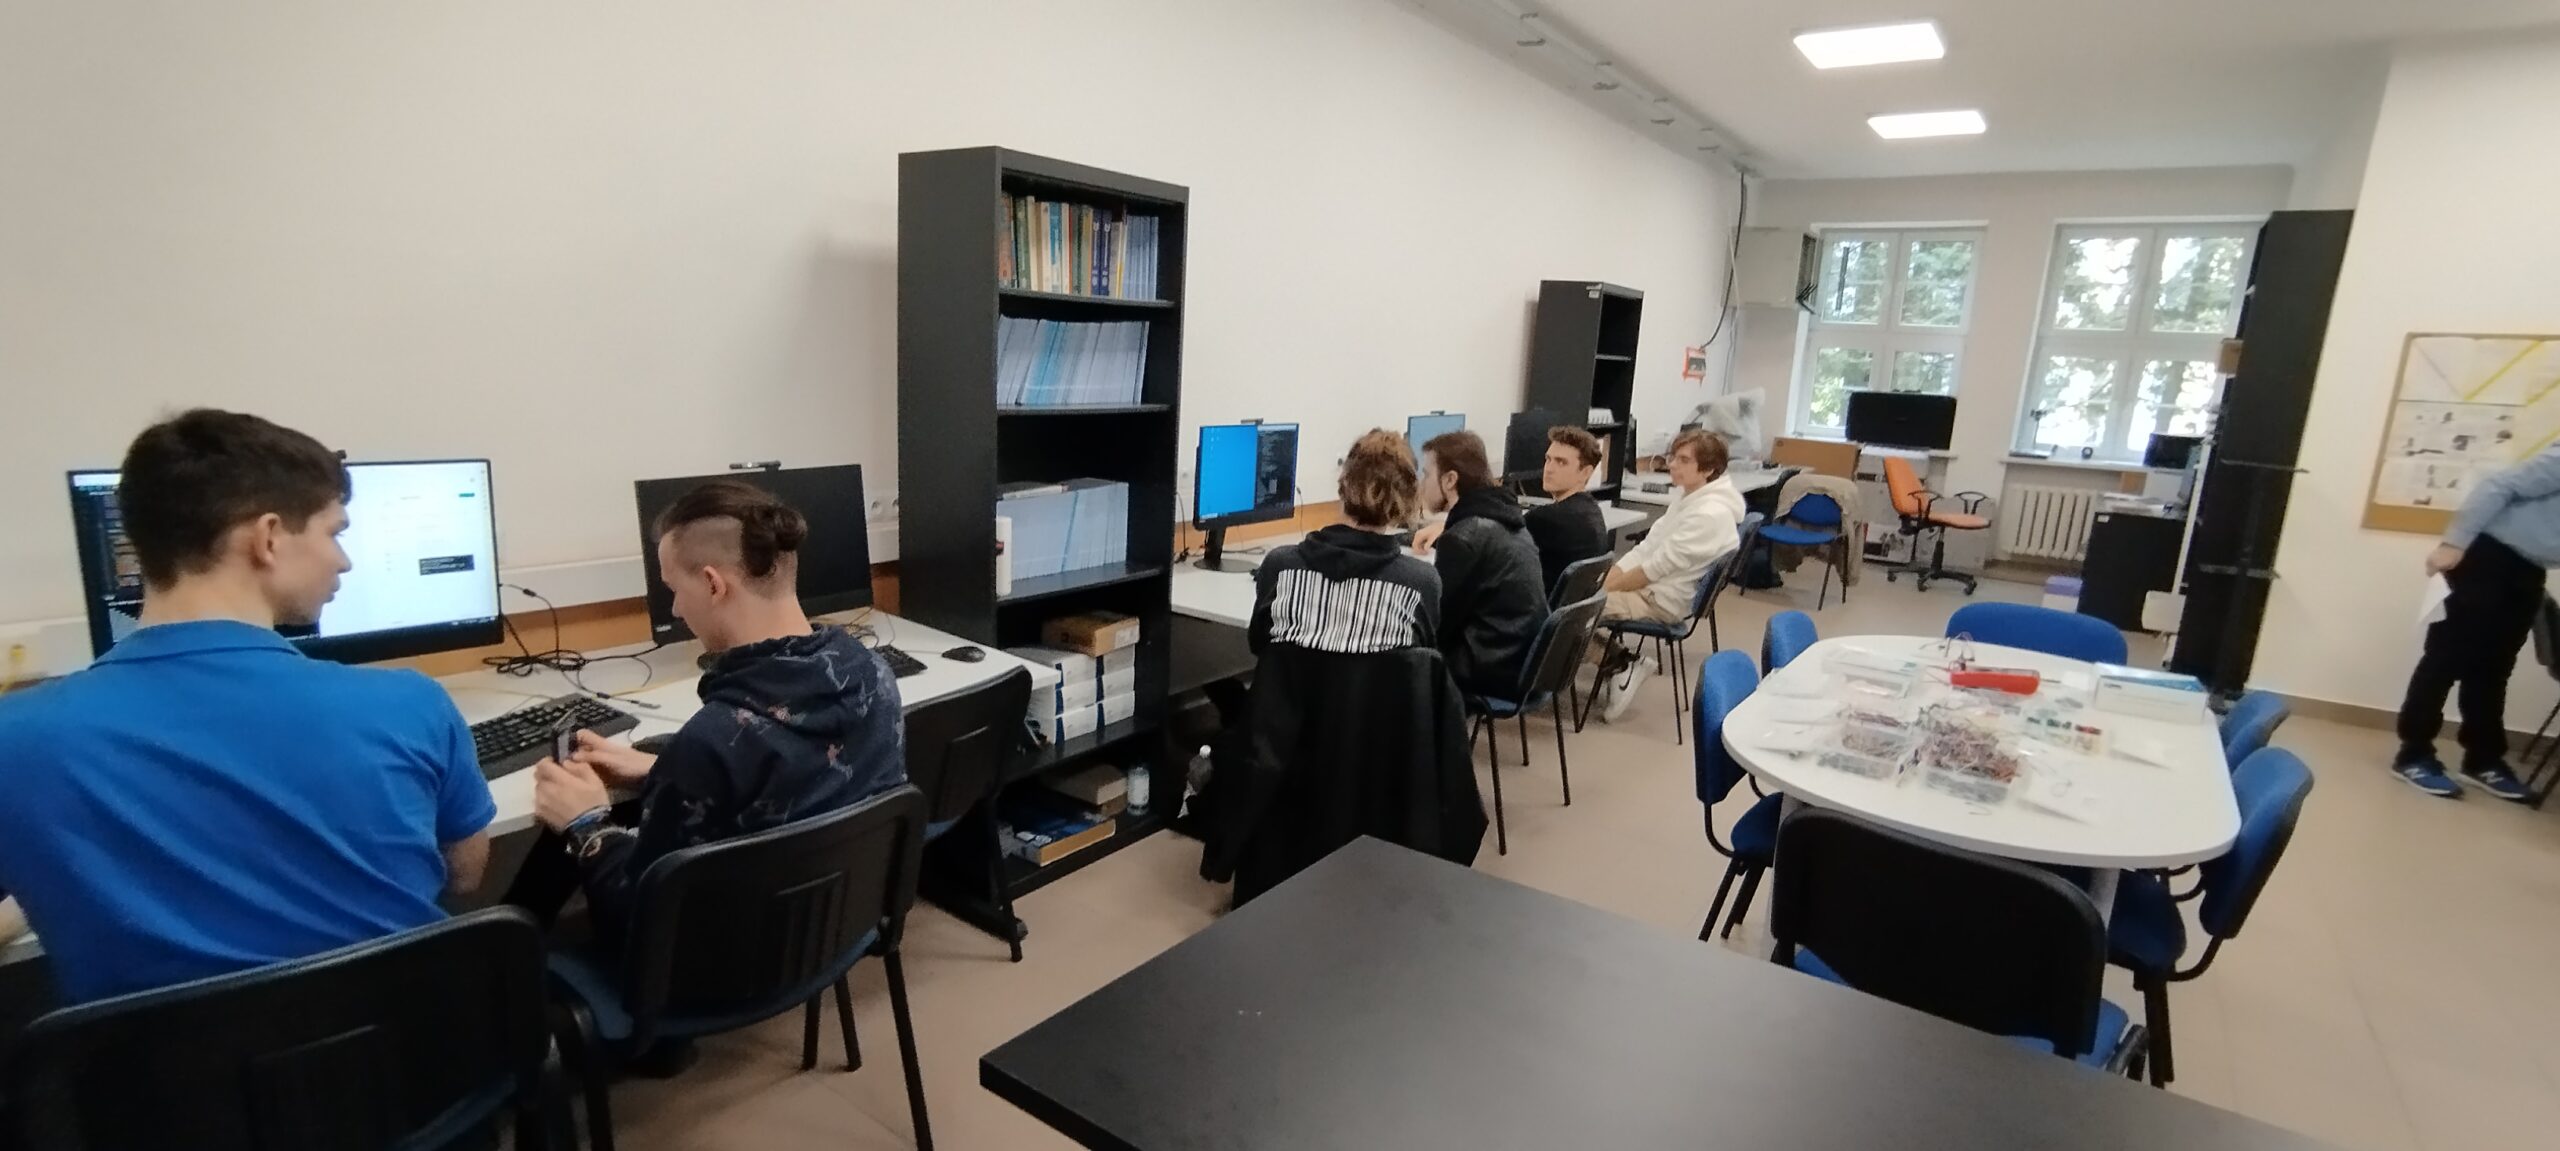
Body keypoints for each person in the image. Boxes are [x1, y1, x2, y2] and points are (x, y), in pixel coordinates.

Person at [0, 410, 494, 1004]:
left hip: (165, 1067)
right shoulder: (409, 704)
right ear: (268, 538)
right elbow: (465, 875)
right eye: (334, 532)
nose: (343, 561)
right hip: (407, 1053)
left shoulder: (19, 738)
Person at [518, 480, 908, 949]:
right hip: (829, 930)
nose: (676, 608)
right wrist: (664, 768)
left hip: (721, 965)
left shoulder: (714, 739)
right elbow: (799, 779)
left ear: (711, 583)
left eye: (673, 589)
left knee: (552, 873)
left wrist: (586, 824)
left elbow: (637, 916)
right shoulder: (873, 674)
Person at [2390, 446, 2560, 800]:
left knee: (2495, 668)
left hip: (2529, 570)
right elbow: (2498, 485)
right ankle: (2414, 753)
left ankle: (2483, 759)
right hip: (2489, 557)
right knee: (2445, 660)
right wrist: (2454, 543)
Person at [1593, 429, 1746, 723]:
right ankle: (1618, 660)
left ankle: (1620, 664)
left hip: (1660, 601)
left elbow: (1652, 570)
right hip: (1652, 588)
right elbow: (1646, 548)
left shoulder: (1708, 514)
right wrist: (1605, 581)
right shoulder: (1690, 497)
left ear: (1709, 470)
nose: (1673, 465)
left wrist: (1599, 591)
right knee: (1572, 599)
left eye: (1684, 460)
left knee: (1566, 612)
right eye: (1673, 457)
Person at [1249, 429, 1441, 655]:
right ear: (1408, 499)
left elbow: (1259, 645)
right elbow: (1424, 660)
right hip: (1378, 681)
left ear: (1343, 486)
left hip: (1296, 679)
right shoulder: (1419, 582)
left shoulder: (1280, 566)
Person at [1413, 430, 1547, 698]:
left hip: (1488, 668)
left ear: (1450, 480)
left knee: (1397, 656)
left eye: (1426, 474)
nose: (1422, 484)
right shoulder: (1506, 517)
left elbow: (1439, 622)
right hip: (1524, 661)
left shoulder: (1464, 537)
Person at [1523, 426, 1614, 598]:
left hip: (1536, 609)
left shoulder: (1544, 519)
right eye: (1548, 459)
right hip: (1564, 612)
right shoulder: (1593, 511)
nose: (1549, 469)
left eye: (1561, 462)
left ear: (1585, 472)